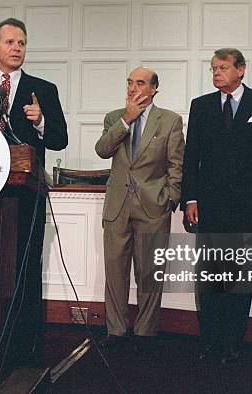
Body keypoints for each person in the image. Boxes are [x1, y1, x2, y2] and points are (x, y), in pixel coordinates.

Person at [0, 17, 68, 363]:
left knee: (24, 267)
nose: (16, 48)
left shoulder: (44, 89)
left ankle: (25, 347)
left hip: (26, 196)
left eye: (21, 43)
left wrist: (41, 122)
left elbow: (60, 140)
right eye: (9, 42)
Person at [181, 48, 252, 363]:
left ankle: (232, 343)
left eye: (223, 67)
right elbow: (191, 158)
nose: (216, 73)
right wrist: (191, 197)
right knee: (209, 277)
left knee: (239, 278)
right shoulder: (200, 106)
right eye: (213, 68)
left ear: (240, 70)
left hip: (246, 207)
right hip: (209, 208)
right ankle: (210, 340)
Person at [95, 66, 185, 352]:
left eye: (141, 83)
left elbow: (176, 165)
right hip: (117, 207)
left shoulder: (170, 121)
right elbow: (102, 149)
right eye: (130, 83)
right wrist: (126, 120)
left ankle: (146, 333)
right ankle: (116, 331)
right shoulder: (113, 118)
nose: (133, 88)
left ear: (154, 88)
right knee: (115, 273)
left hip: (153, 207)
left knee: (150, 274)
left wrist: (170, 198)